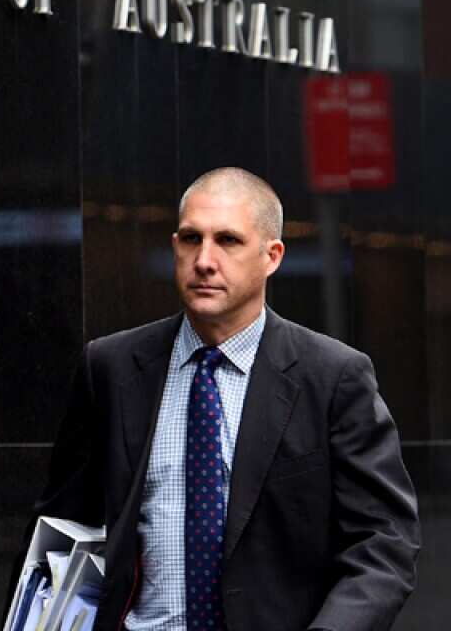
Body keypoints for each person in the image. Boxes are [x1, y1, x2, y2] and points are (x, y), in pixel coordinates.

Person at [23, 168, 420, 631]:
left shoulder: (332, 377)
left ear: (272, 256)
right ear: (175, 246)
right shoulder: (111, 367)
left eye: (228, 241)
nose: (205, 260)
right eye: (192, 239)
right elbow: (60, 530)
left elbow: (383, 543)